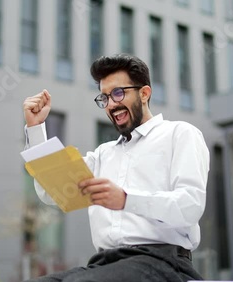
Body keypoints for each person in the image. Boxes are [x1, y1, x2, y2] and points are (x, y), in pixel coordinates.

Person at [22, 54, 209, 282]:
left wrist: (125, 199)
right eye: (105, 97)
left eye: (118, 93)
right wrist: (35, 128)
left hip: (164, 262)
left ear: (144, 93)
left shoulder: (180, 134)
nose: (111, 105)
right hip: (105, 264)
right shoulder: (104, 154)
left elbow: (190, 205)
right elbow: (50, 191)